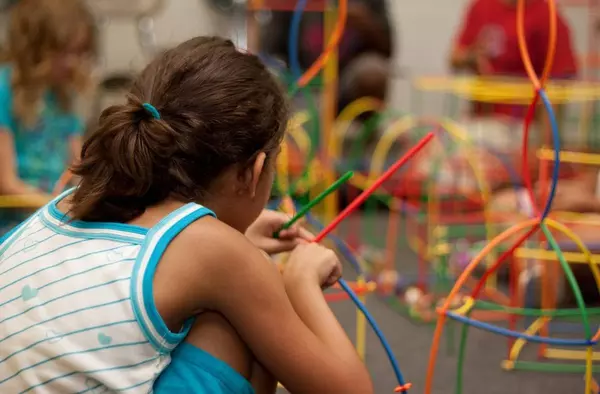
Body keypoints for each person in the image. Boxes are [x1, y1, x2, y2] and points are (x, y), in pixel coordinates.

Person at [0, 36, 373, 394]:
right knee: (235, 323)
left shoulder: (77, 190)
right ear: (255, 171)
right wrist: (299, 282)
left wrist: (238, 238)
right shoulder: (219, 254)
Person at [0, 0, 96, 235]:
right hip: (14, 224)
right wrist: (59, 208)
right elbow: (6, 183)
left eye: (80, 52)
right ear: (36, 48)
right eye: (65, 52)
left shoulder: (63, 96)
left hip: (52, 213)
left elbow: (80, 169)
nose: (73, 63)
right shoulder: (4, 90)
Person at [260, 0, 394, 116]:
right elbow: (270, 50)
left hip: (348, 81)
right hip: (301, 80)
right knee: (267, 74)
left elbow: (387, 49)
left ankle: (361, 137)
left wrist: (364, 22)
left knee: (372, 72)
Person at [450, 0, 577, 119]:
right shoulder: (482, 6)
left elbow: (559, 82)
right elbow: (455, 57)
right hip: (482, 119)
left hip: (524, 123)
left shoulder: (547, 16)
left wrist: (545, 142)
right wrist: (471, 58)